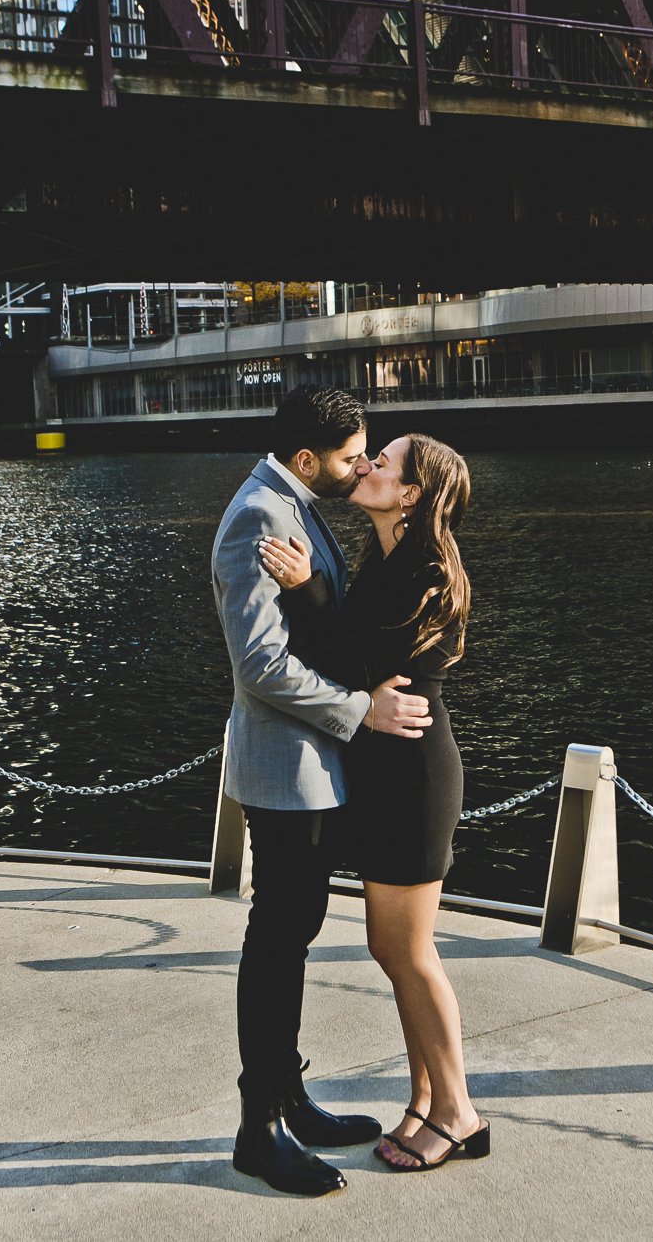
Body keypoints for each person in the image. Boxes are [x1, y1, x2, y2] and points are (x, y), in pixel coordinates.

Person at [211, 386, 434, 1199]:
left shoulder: (293, 503)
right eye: (348, 457)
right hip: (286, 770)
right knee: (277, 939)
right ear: (307, 460)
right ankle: (258, 1129)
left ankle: (289, 1097)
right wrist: (360, 710)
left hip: (307, 767)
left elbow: (318, 623)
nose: (359, 467)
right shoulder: (259, 517)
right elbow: (260, 666)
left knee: (294, 931)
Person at [259, 432, 490, 1174]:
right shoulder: (387, 558)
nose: (366, 466)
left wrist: (305, 589)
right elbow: (357, 665)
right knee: (392, 951)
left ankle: (459, 1114)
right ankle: (423, 1101)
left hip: (413, 775)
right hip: (385, 771)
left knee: (408, 953)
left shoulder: (426, 570)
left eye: (382, 463)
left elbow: (352, 660)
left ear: (410, 494)